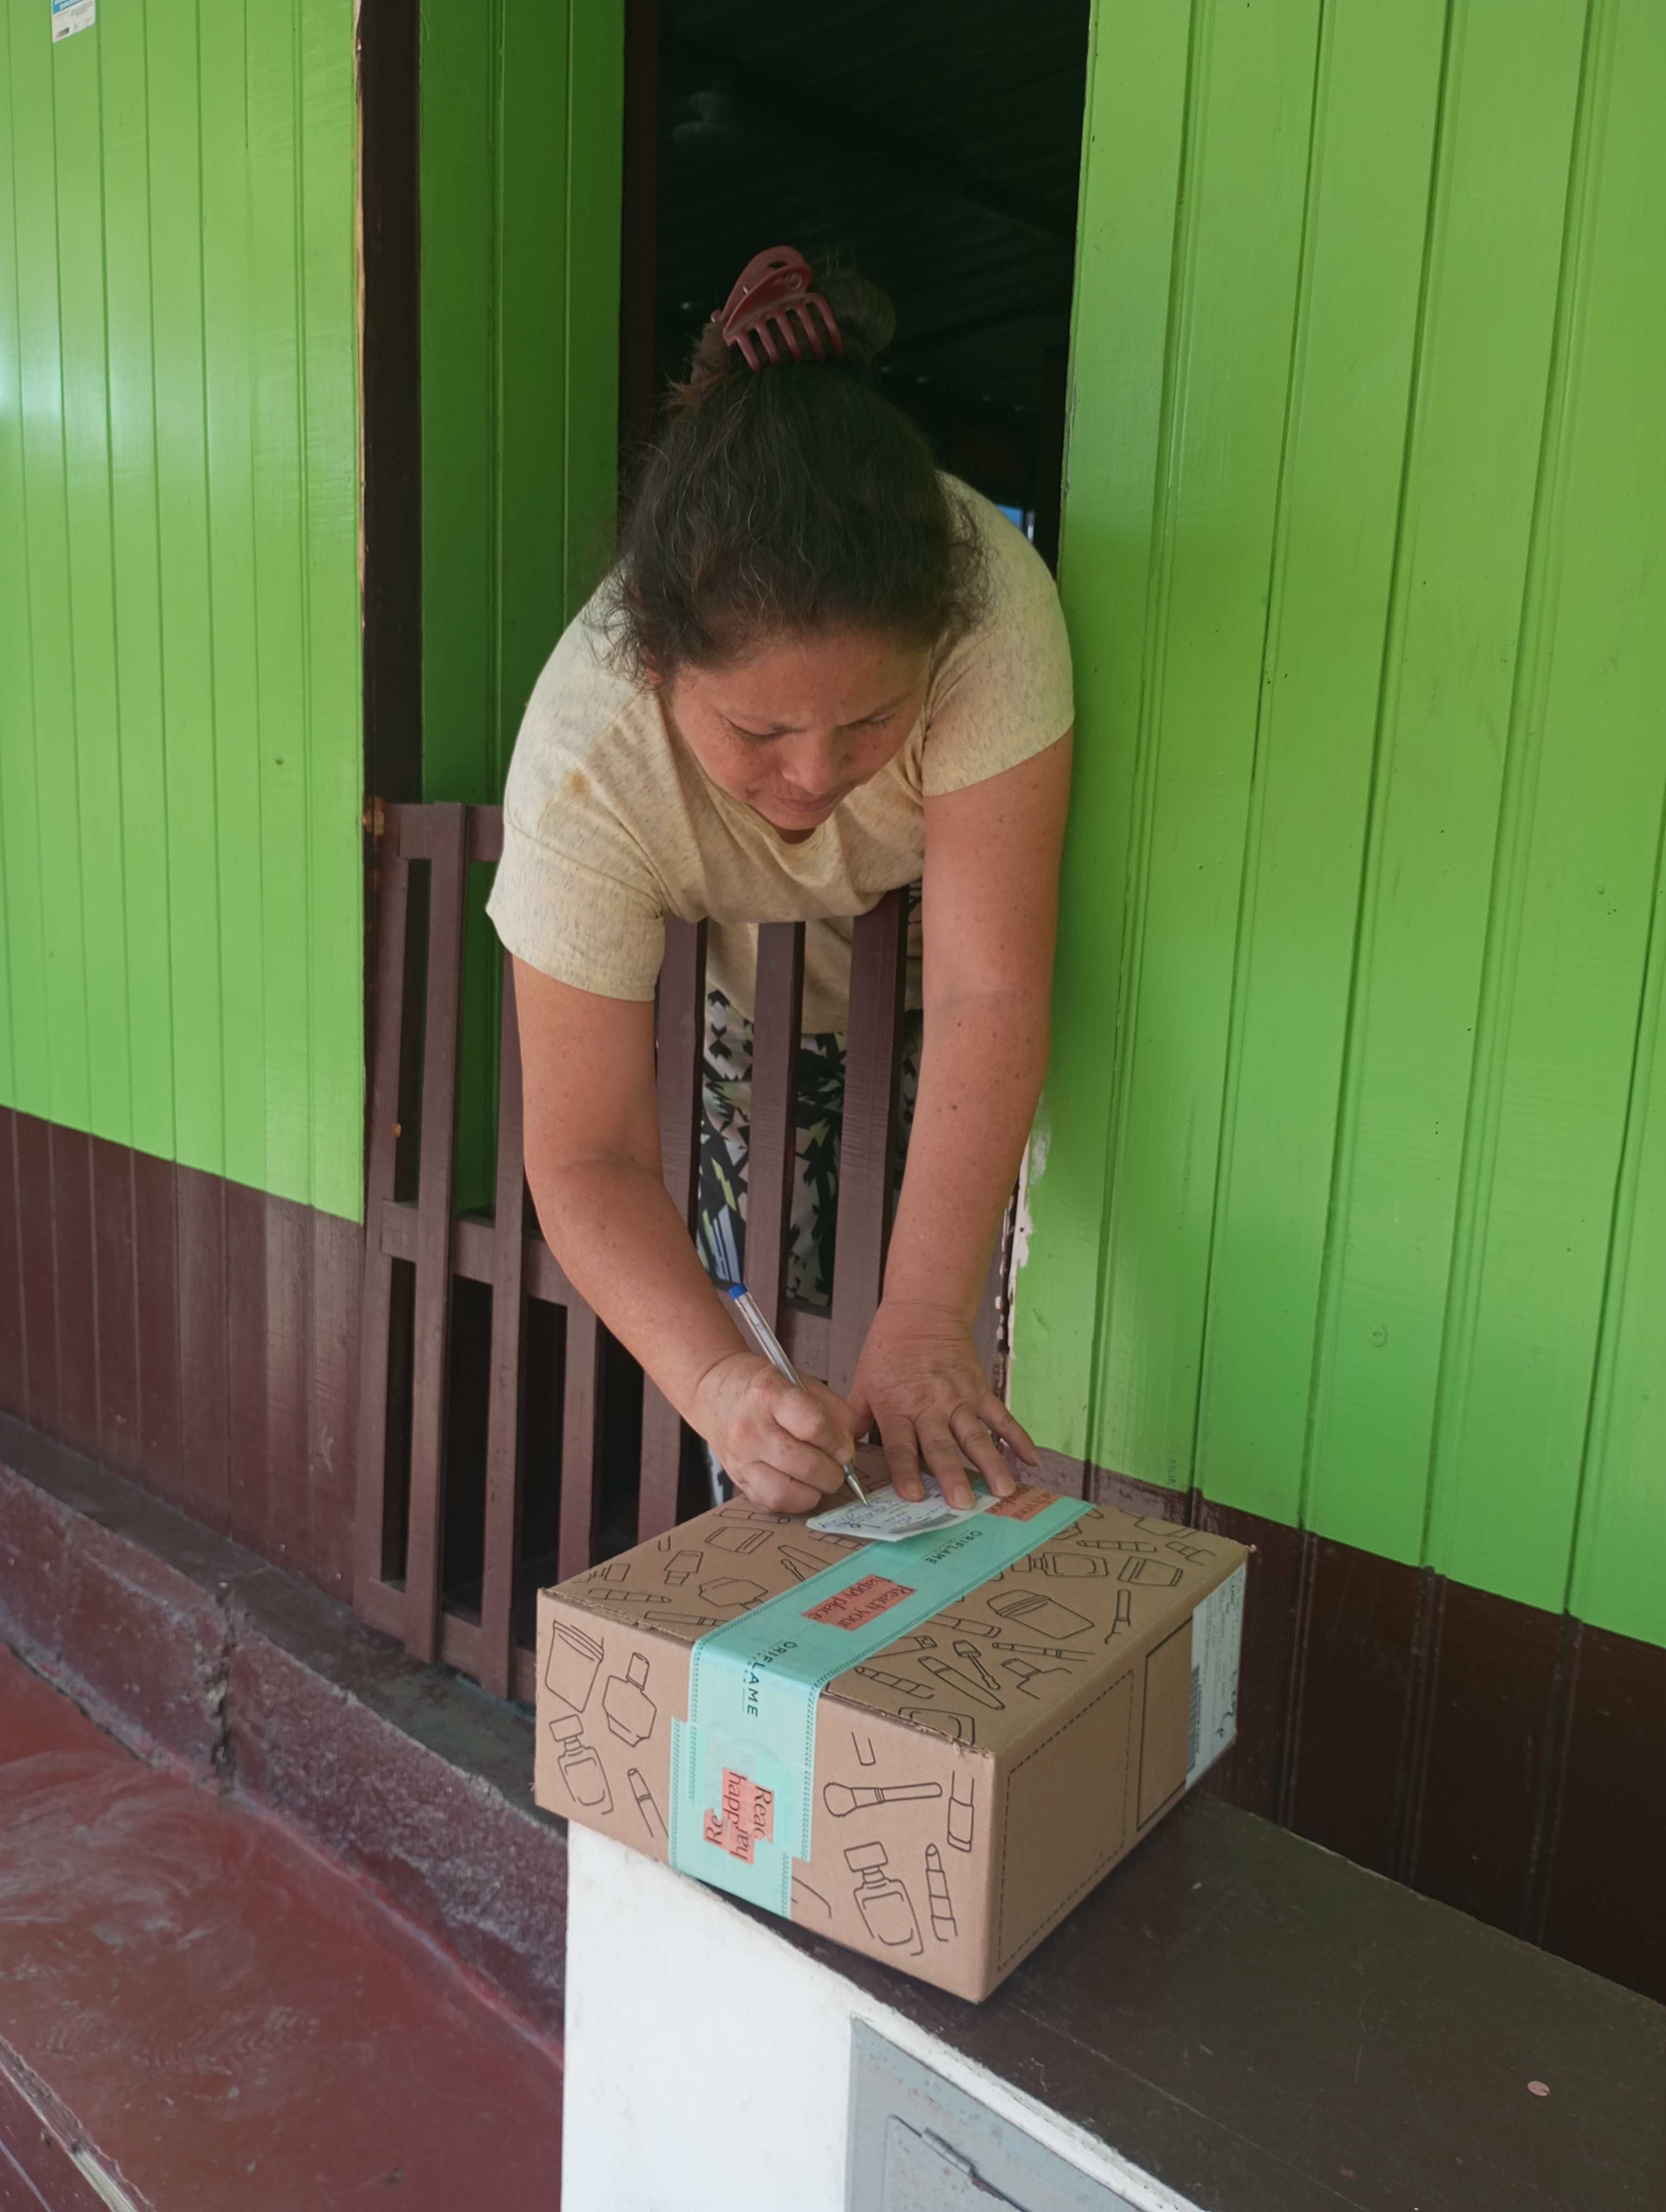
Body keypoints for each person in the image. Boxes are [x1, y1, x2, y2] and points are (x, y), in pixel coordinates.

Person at [487, 248, 1073, 1520]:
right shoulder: (584, 763)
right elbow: (586, 1152)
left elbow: (985, 995)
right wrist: (718, 1388)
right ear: (655, 665)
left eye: (870, 726)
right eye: (758, 732)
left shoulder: (991, 610)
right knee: (777, 1428)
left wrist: (925, 1320)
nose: (816, 776)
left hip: (947, 1005)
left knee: (985, 1366)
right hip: (749, 1018)